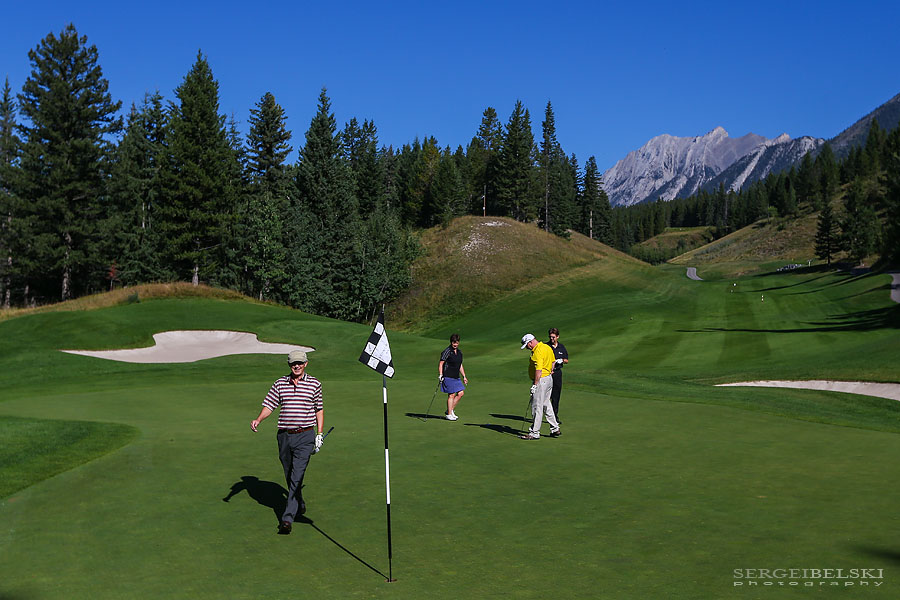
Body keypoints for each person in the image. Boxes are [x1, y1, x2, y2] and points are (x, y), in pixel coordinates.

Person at [251, 350, 324, 535]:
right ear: (289, 365)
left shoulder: (315, 384)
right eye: (293, 364)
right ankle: (299, 502)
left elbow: (319, 410)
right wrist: (259, 419)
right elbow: (270, 405)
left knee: (296, 474)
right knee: (290, 473)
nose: (296, 366)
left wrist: (319, 434)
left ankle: (287, 519)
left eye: (299, 363)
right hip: (284, 436)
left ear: (306, 363)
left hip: (305, 436)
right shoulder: (280, 383)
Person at [519, 333, 561, 440]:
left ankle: (534, 432)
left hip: (541, 380)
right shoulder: (546, 347)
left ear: (531, 342)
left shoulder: (537, 352)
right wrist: (551, 371)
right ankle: (555, 428)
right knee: (546, 403)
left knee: (537, 406)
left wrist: (535, 384)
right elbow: (553, 361)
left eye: (527, 345)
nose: (527, 348)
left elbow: (539, 369)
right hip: (548, 379)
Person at [438, 333, 468, 421]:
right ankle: (449, 414)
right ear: (451, 342)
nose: (455, 344)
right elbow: (441, 363)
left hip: (456, 376)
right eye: (453, 343)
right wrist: (440, 374)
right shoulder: (447, 351)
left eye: (457, 343)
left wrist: (464, 376)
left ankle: (449, 410)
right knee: (451, 394)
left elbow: (460, 365)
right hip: (448, 375)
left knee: (461, 393)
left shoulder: (459, 352)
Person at [547, 327, 569, 423]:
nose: (552, 339)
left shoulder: (561, 347)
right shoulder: (546, 346)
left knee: (556, 395)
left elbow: (567, 360)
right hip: (548, 373)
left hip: (557, 373)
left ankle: (555, 416)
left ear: (557, 337)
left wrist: (561, 360)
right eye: (550, 337)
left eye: (553, 337)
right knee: (547, 395)